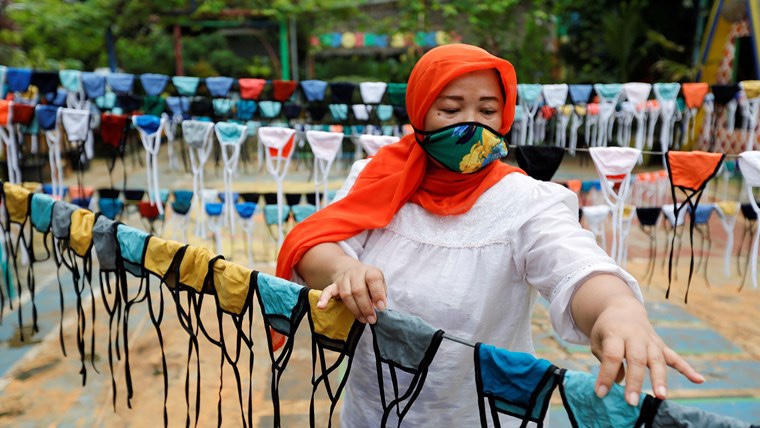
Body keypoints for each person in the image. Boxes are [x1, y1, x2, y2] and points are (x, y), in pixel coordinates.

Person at [276, 44, 703, 426]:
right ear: (419, 111)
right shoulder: (376, 176)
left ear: (505, 114)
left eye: (486, 111)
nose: (471, 126)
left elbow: (574, 263)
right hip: (374, 410)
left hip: (481, 414)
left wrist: (617, 310)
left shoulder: (526, 200)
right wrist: (343, 269)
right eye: (450, 109)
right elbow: (315, 243)